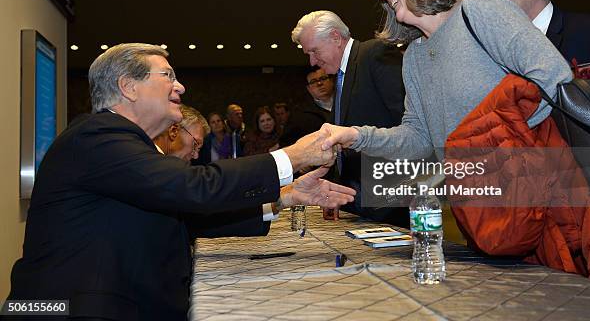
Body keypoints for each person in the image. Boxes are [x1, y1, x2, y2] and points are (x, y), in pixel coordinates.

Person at [321, 0, 590, 281]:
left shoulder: (478, 6)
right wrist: (354, 136)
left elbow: (552, 75)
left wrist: (501, 147)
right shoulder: (413, 58)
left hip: (538, 197)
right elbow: (418, 139)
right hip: (481, 214)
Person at [6, 43, 356, 321]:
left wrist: (287, 196)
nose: (181, 86)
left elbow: (182, 217)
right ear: (128, 86)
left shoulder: (123, 143)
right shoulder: (99, 136)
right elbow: (194, 188)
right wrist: (293, 156)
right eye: (168, 75)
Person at [291, 10, 405, 226]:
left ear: (335, 37)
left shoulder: (375, 53)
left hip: (387, 200)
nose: (312, 61)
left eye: (314, 51)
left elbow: (407, 122)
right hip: (357, 200)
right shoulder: (341, 77)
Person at [279, 66, 334, 148]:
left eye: (323, 78)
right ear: (309, 89)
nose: (319, 83)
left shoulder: (347, 104)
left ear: (331, 81)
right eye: (313, 81)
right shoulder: (300, 115)